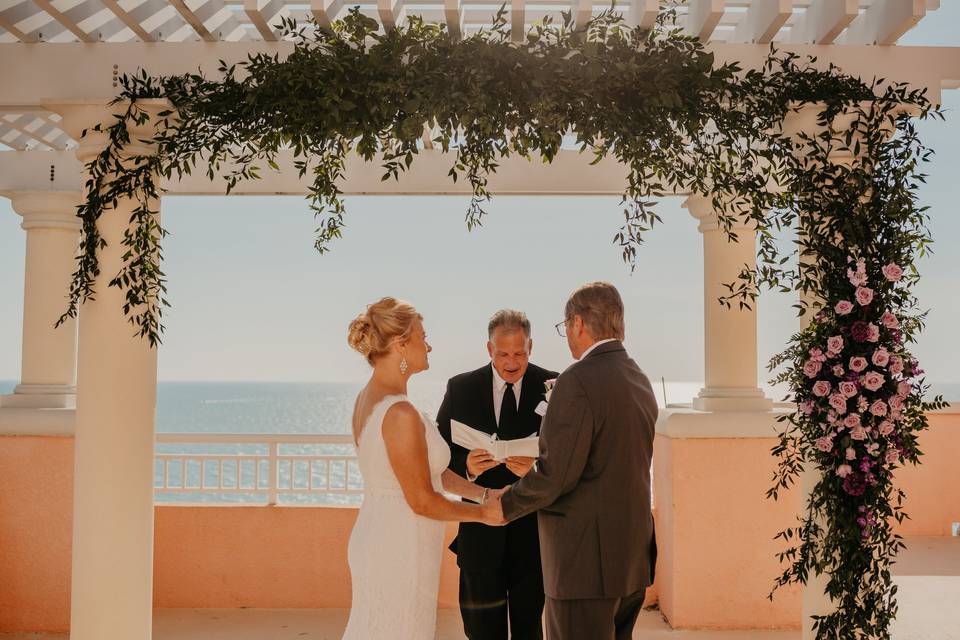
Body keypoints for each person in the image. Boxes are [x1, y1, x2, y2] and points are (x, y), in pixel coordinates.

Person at [491, 282, 658, 640]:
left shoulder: (577, 379)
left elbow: (556, 475)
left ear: (578, 323)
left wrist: (505, 503)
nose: (566, 335)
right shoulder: (637, 377)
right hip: (630, 558)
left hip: (584, 566)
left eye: (565, 326)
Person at [342, 297, 504, 640]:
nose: (428, 345)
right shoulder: (399, 413)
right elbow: (422, 499)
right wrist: (483, 515)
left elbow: (429, 472)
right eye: (422, 336)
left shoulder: (369, 398)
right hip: (399, 545)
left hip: (383, 533)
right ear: (401, 344)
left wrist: (483, 493)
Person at [437, 310, 558, 640]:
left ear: (530, 346)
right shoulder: (460, 387)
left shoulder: (553, 385)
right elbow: (440, 455)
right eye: (503, 353)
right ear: (489, 349)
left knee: (529, 631)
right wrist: (469, 467)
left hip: (533, 536)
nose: (511, 362)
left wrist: (533, 470)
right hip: (479, 536)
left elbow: (566, 456)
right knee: (480, 632)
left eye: (519, 353)